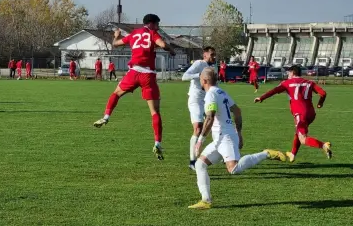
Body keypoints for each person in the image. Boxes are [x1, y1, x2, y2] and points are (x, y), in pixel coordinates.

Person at [189, 68, 286, 210]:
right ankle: (206, 200)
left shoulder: (211, 94)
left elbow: (209, 117)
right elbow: (237, 110)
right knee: (200, 165)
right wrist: (239, 133)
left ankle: (266, 154)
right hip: (221, 137)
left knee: (233, 168)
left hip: (225, 137)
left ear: (204, 81)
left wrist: (200, 141)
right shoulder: (221, 92)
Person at [93, 14, 176, 160]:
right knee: (155, 112)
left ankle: (106, 117)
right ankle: (157, 143)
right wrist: (170, 49)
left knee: (116, 93)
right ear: (151, 24)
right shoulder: (152, 33)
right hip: (147, 75)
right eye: (157, 24)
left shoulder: (133, 34)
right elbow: (162, 44)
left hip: (133, 72)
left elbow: (116, 43)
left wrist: (116, 35)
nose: (158, 27)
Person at [255, 65, 332, 163]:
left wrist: (261, 98)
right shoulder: (309, 83)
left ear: (293, 72)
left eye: (288, 73)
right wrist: (320, 103)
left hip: (300, 113)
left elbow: (274, 91)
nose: (288, 75)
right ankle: (293, 154)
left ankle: (323, 145)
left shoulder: (287, 83)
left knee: (303, 139)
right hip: (311, 113)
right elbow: (323, 93)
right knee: (298, 132)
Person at [182, 46, 216, 170]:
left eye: (214, 55)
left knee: (216, 127)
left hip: (208, 100)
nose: (214, 57)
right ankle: (192, 161)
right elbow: (184, 76)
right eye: (212, 54)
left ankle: (223, 154)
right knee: (198, 128)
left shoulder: (213, 67)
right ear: (205, 55)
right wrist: (199, 74)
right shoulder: (199, 63)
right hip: (195, 99)